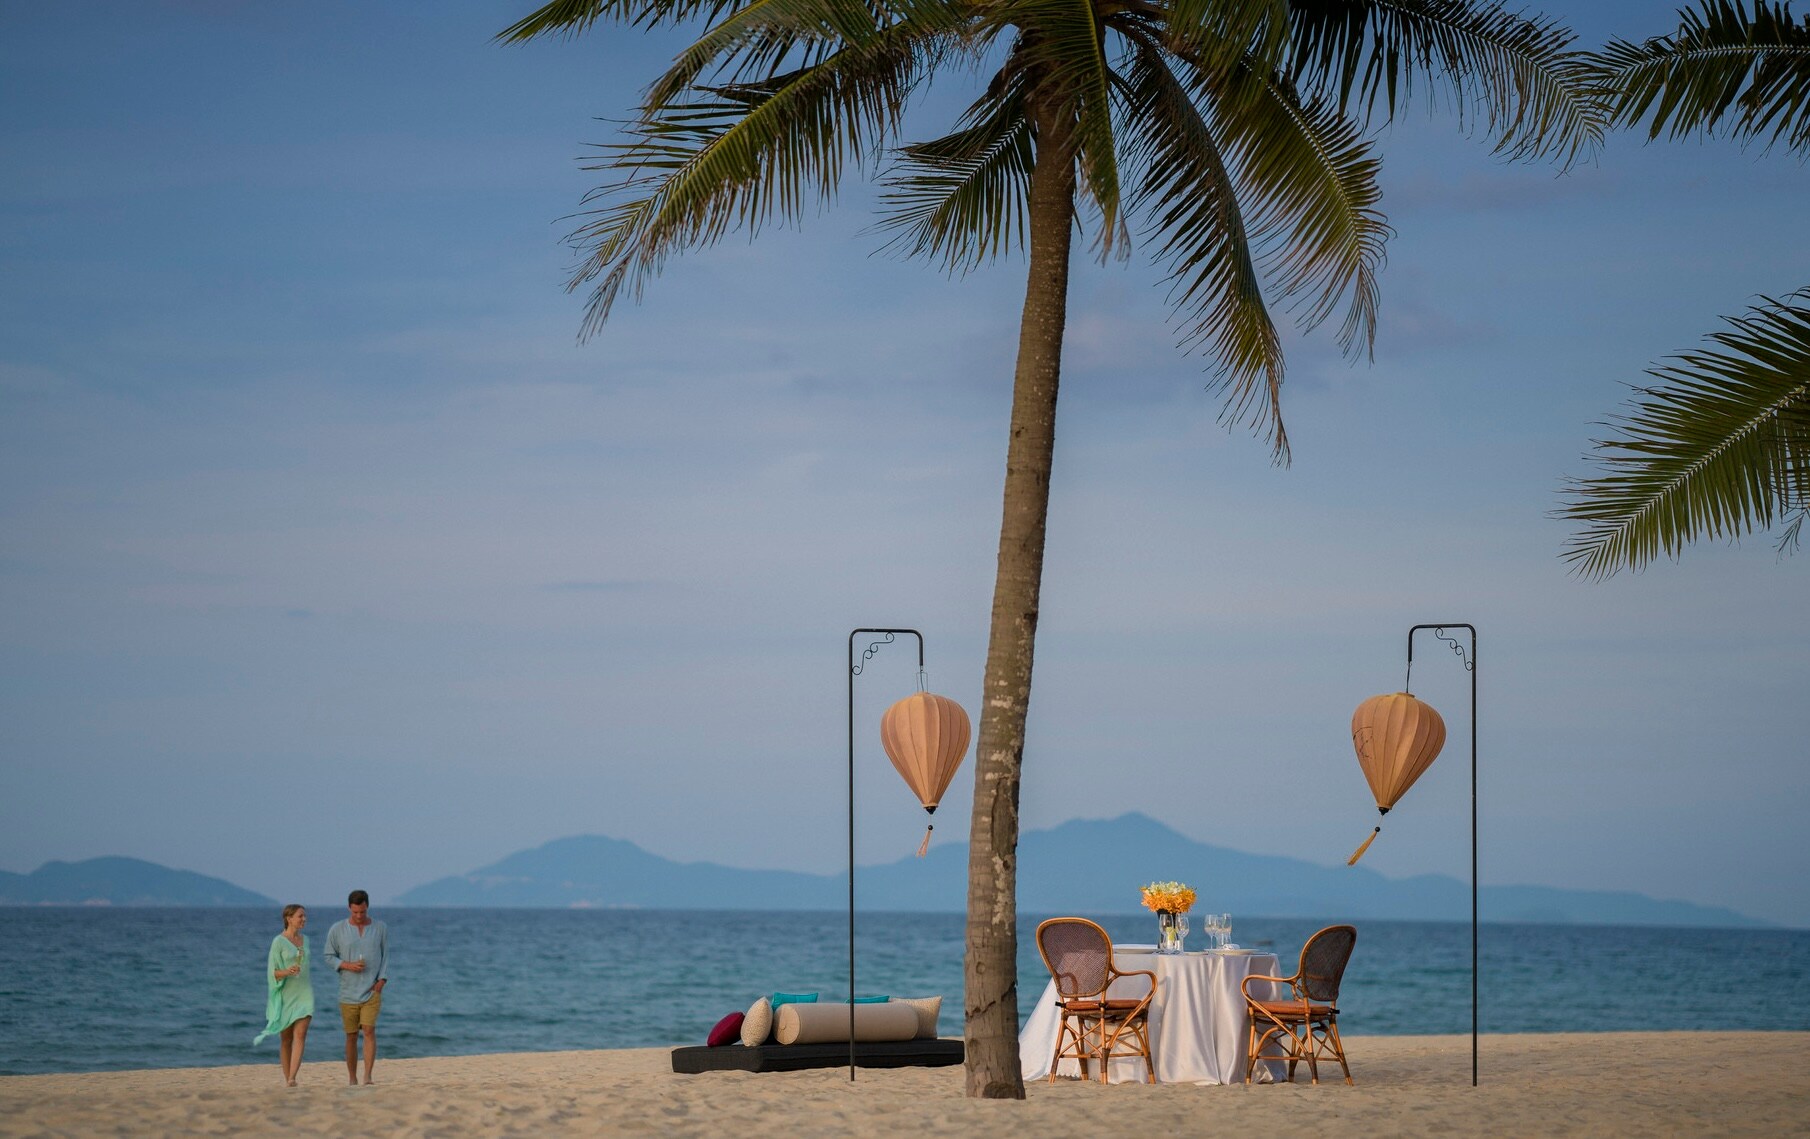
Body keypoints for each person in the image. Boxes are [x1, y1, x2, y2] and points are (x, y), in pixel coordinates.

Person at [323, 889, 389, 1086]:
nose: (359, 916)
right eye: (355, 912)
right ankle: (352, 1078)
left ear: (367, 907)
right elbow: (328, 956)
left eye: (362, 912)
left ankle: (368, 1076)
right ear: (349, 909)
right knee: (351, 1036)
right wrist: (347, 965)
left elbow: (386, 956)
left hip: (372, 990)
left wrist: (381, 981)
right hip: (347, 992)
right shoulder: (337, 929)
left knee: (369, 1030)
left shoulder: (380, 928)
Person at [253, 904, 314, 1086]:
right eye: (300, 916)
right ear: (289, 919)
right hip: (285, 994)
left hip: (304, 993)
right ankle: (288, 1079)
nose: (304, 919)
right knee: (286, 1039)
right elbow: (272, 972)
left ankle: (293, 1076)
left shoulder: (306, 940)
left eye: (304, 916)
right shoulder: (278, 942)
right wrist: (286, 971)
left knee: (301, 1034)